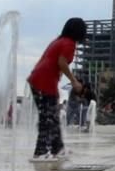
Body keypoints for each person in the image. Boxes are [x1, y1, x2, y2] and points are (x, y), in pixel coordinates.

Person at [27, 18, 85, 160]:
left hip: (38, 79)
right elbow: (62, 63)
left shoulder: (58, 41)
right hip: (44, 81)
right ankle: (40, 152)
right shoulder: (69, 43)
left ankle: (57, 149)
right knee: (48, 118)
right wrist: (74, 81)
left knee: (52, 116)